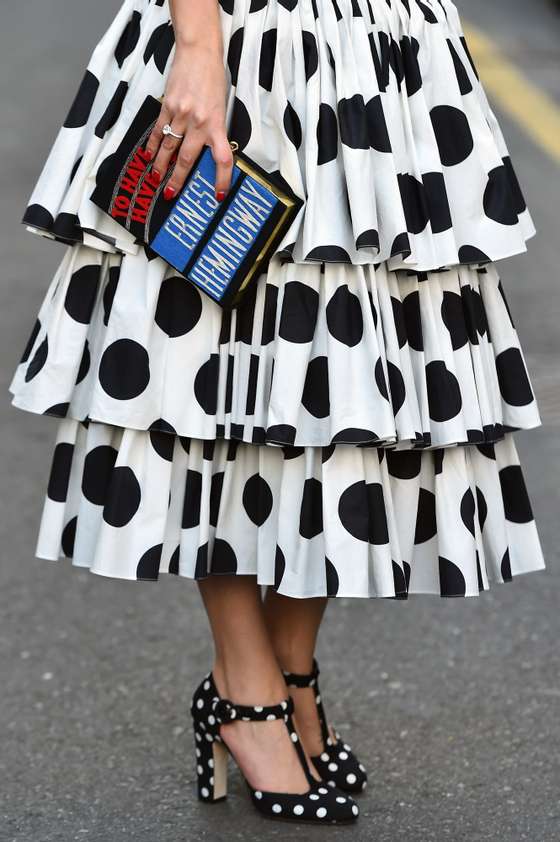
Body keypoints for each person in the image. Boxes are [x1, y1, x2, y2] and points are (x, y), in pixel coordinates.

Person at [9, 0, 546, 826]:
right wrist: (196, 45)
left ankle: (291, 674)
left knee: (341, 384)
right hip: (243, 38)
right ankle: (245, 685)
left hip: (379, 53)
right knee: (200, 375)